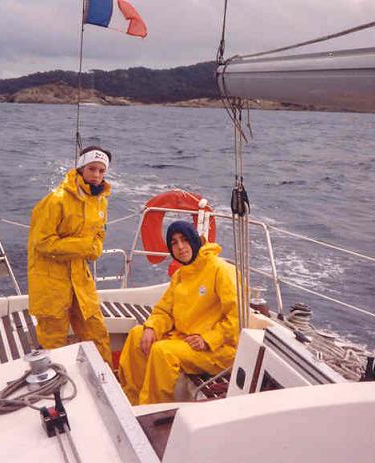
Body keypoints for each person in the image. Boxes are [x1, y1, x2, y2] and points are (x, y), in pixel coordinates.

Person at [118, 220, 239, 405]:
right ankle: (132, 401)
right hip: (186, 339)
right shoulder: (181, 275)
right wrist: (151, 327)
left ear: (195, 239)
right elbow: (164, 311)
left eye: (184, 239)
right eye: (174, 243)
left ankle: (154, 410)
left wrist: (208, 339)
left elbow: (237, 317)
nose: (180, 247)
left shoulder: (220, 270)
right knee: (137, 335)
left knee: (162, 352)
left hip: (220, 349)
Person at [27, 146, 112, 365]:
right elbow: (42, 242)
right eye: (92, 169)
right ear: (81, 168)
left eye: (101, 170)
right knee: (53, 340)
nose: (96, 175)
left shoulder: (100, 200)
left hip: (80, 277)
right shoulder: (56, 200)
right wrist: (85, 246)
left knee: (96, 331)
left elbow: (100, 231)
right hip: (50, 280)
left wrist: (97, 246)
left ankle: (107, 375)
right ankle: (58, 382)